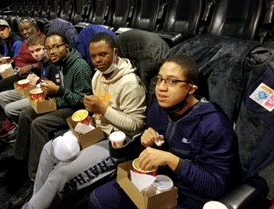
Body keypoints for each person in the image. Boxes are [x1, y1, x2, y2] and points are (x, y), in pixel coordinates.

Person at [88, 55, 241, 209]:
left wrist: (173, 161)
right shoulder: (158, 108)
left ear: (191, 89)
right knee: (98, 198)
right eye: (160, 79)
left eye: (173, 81)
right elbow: (154, 154)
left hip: (191, 195)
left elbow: (216, 186)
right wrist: (147, 143)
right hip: (158, 181)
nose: (161, 87)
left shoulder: (214, 124)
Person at [18, 32, 147, 209]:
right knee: (48, 149)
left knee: (61, 173)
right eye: (94, 56)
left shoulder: (131, 84)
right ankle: (36, 200)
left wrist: (103, 109)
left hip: (117, 142)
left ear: (115, 52)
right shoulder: (97, 76)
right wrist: (90, 118)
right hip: (95, 131)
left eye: (103, 54)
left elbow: (136, 125)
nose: (98, 60)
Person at [0, 31, 93, 205]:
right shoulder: (60, 64)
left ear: (67, 46)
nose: (52, 52)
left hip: (76, 110)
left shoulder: (79, 67)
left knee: (39, 124)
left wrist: (59, 91)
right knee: (27, 114)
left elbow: (83, 101)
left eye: (56, 46)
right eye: (49, 48)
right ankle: (20, 161)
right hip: (62, 101)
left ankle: (35, 177)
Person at [0, 35, 59, 141]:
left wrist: (37, 83)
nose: (35, 54)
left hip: (45, 98)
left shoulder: (53, 63)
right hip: (38, 89)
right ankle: (19, 126)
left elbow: (53, 89)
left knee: (9, 109)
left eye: (38, 50)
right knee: (2, 97)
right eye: (32, 52)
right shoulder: (42, 62)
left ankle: (24, 131)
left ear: (45, 48)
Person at [0, 19, 41, 125]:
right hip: (19, 69)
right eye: (22, 30)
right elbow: (15, 58)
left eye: (27, 28)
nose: (25, 32)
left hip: (29, 73)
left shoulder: (21, 41)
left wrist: (30, 66)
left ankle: (2, 113)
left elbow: (43, 62)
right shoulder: (23, 41)